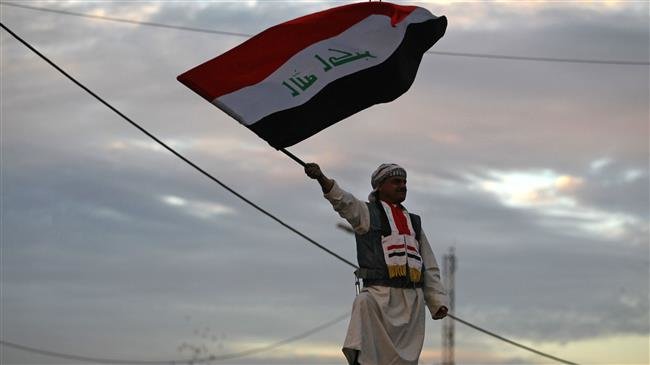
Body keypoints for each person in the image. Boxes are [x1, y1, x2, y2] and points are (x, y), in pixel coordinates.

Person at [304, 162, 448, 365]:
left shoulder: (414, 222)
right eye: (396, 181)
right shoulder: (367, 213)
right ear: (380, 186)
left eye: (405, 182)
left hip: (411, 303)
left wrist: (436, 301)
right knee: (364, 307)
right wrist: (321, 178)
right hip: (379, 299)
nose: (403, 186)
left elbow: (429, 265)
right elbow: (344, 202)